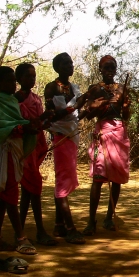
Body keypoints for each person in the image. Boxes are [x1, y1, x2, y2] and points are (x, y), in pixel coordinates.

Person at [0, 66, 46, 255]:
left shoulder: (12, 101)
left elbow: (21, 123)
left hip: (15, 151)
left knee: (4, 195)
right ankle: (20, 237)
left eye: (13, 81)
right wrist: (23, 128)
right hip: (5, 151)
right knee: (9, 194)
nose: (13, 84)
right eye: (9, 81)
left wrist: (33, 124)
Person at [82, 55, 131, 235]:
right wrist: (99, 106)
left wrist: (125, 107)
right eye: (106, 68)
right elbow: (88, 114)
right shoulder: (94, 89)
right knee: (98, 176)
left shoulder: (122, 89)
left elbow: (126, 116)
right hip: (102, 132)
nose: (109, 71)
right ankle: (91, 221)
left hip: (118, 132)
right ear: (100, 70)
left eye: (112, 68)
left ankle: (109, 217)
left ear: (116, 70)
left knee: (116, 177)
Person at [44, 52, 88, 244]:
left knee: (63, 179)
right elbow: (51, 115)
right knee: (62, 180)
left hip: (71, 136)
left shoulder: (74, 88)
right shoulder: (51, 87)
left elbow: (76, 117)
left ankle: (59, 225)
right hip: (60, 136)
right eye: (65, 64)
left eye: (71, 63)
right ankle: (70, 228)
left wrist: (89, 105)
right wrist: (75, 106)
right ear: (57, 67)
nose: (70, 66)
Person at [15, 62, 56, 246]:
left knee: (27, 190)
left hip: (36, 146)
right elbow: (24, 124)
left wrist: (47, 121)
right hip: (24, 148)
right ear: (19, 79)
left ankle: (20, 231)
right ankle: (40, 231)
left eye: (34, 76)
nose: (32, 79)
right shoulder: (15, 100)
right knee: (34, 187)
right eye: (28, 76)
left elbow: (39, 125)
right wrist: (42, 118)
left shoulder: (36, 99)